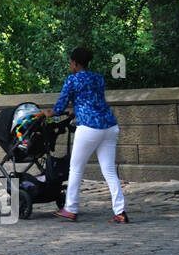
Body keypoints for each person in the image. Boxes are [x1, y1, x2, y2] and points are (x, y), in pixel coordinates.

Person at [44, 46, 128, 223]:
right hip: (109, 126)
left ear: (74, 63)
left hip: (89, 127)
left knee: (75, 168)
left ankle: (71, 209)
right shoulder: (99, 78)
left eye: (70, 62)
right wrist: (75, 111)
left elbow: (60, 105)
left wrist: (51, 113)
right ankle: (120, 212)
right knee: (109, 170)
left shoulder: (72, 79)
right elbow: (93, 100)